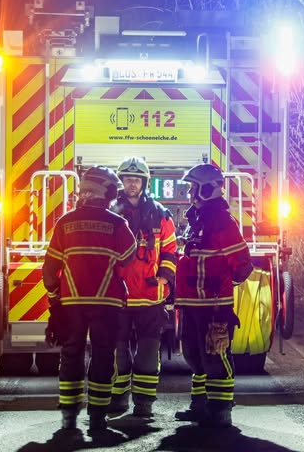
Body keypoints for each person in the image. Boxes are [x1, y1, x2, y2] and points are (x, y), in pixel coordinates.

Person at [42, 166, 136, 438]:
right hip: (107, 304)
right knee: (103, 356)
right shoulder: (118, 225)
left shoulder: (64, 223)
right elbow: (129, 258)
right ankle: (97, 417)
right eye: (112, 191)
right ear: (103, 191)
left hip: (71, 303)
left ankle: (69, 417)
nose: (114, 196)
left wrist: (54, 301)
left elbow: (50, 270)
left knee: (71, 355)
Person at [173, 163, 254, 428]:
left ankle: (220, 411)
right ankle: (200, 406)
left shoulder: (221, 222)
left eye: (193, 188)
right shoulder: (198, 219)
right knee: (194, 355)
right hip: (191, 302)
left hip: (213, 304)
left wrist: (221, 288)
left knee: (215, 354)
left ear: (206, 190)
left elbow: (242, 263)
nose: (190, 194)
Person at [108, 156, 178, 419]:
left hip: (150, 296)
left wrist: (164, 276)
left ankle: (144, 403)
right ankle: (118, 399)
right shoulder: (111, 213)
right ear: (121, 182)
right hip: (119, 297)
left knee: (148, 353)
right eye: (127, 179)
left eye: (136, 180)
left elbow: (171, 249)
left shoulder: (161, 214)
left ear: (144, 183)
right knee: (118, 352)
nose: (132, 184)